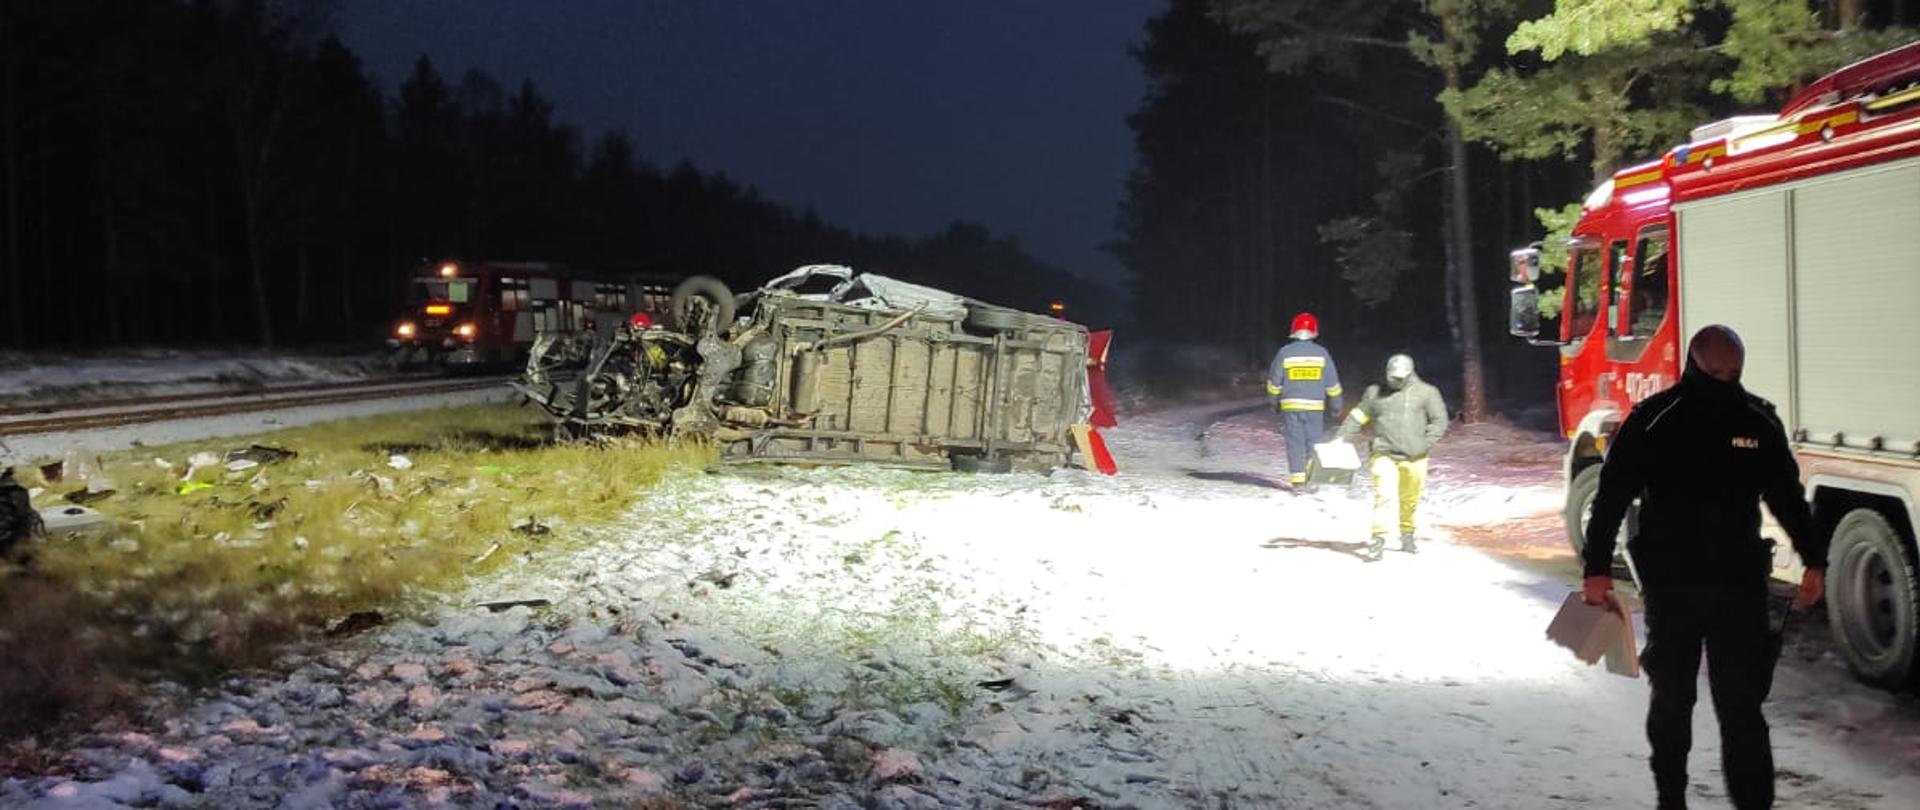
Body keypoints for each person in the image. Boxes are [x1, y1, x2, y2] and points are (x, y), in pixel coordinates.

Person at [1582, 324, 1827, 810]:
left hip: (1737, 585)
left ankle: (1752, 802)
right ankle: (1671, 797)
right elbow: (1611, 496)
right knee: (1674, 697)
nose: (1725, 380)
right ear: (1695, 364)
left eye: (1733, 373)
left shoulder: (1757, 419)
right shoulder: (1655, 419)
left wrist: (1814, 559)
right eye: (1716, 372)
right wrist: (1596, 569)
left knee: (1741, 706)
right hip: (1674, 585)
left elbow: (1786, 497)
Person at [1333, 354, 1447, 560]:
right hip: (1383, 453)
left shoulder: (1427, 393)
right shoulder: (1375, 393)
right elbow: (1358, 416)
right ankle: (1378, 539)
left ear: (1410, 374)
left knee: (1409, 499)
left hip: (1415, 457)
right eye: (1393, 377)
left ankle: (1407, 534)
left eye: (1400, 378)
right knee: (1383, 496)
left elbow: (1439, 421)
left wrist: (1425, 443)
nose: (1396, 381)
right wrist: (1341, 437)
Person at [1266, 312, 1343, 489]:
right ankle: (1311, 479)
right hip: (1315, 408)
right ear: (1314, 331)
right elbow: (1332, 383)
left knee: (1295, 443)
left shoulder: (1285, 353)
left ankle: (1298, 483)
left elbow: (1274, 382)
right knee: (1314, 443)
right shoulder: (1321, 353)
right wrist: (1337, 404)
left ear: (1294, 331)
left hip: (1291, 407)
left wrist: (1273, 402)